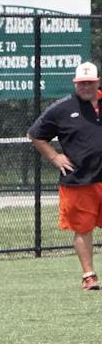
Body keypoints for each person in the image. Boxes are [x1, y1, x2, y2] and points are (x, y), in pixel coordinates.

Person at [28, 61, 102, 290]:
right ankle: (89, 276)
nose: (86, 87)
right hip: (79, 180)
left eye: (90, 82)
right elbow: (35, 134)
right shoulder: (62, 108)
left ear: (98, 82)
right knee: (83, 228)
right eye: (82, 83)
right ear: (75, 83)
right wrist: (55, 157)